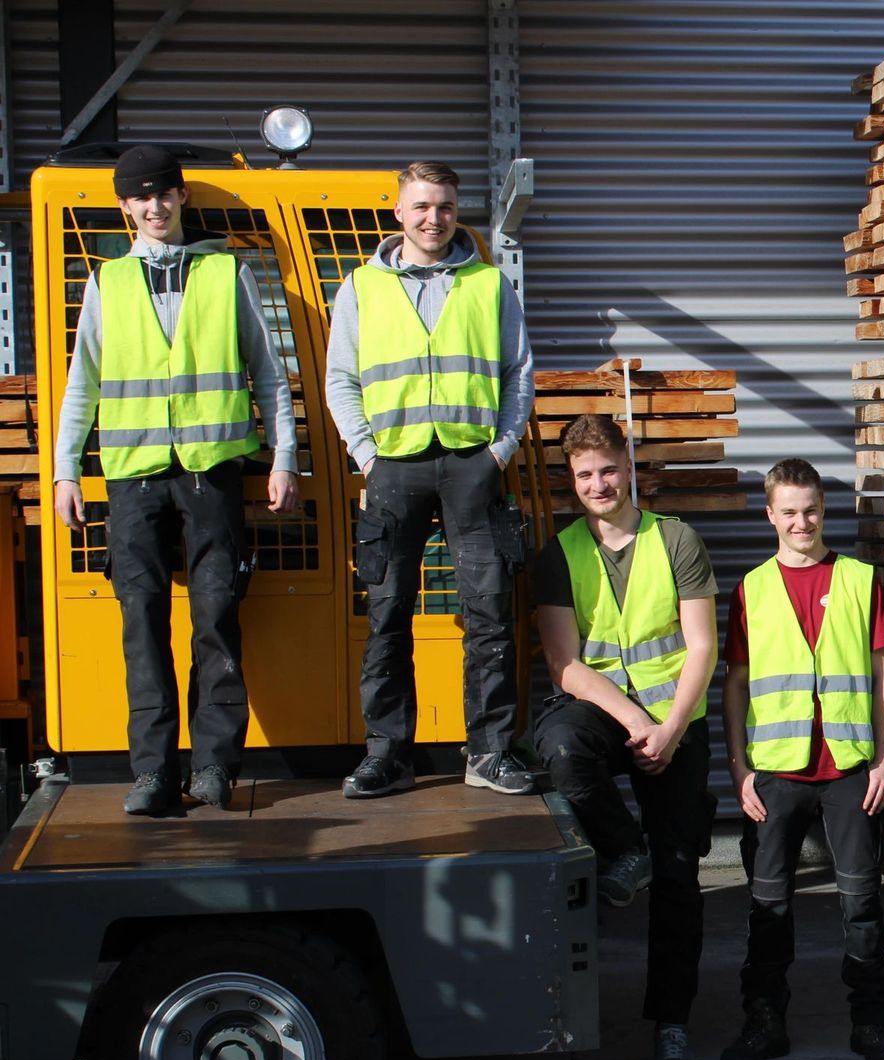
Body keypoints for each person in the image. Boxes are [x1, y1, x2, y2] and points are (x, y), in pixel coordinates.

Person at [52, 144, 299, 816]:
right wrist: (65, 472)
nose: (155, 205)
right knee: (142, 622)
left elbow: (269, 374)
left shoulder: (226, 272)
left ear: (182, 198)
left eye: (165, 192)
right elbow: (84, 384)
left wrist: (283, 458)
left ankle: (214, 768)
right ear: (125, 207)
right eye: (141, 196)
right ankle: (153, 775)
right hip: (132, 479)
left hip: (209, 474)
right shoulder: (107, 282)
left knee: (216, 617)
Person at [325, 160, 535, 798]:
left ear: (456, 210)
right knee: (388, 613)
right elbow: (342, 379)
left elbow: (517, 372)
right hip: (394, 470)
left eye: (444, 206)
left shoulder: (490, 285)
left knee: (489, 614)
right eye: (420, 206)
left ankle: (489, 752)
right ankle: (389, 754)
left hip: (473, 467)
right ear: (398, 211)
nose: (433, 219)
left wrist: (498, 451)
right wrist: (368, 456)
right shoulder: (360, 288)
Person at [529, 414, 718, 1060]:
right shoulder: (561, 552)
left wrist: (667, 729)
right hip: (611, 714)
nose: (598, 484)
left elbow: (701, 647)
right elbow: (564, 664)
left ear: (627, 465)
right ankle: (622, 848)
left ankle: (671, 1025)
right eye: (584, 475)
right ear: (571, 480)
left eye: (607, 469)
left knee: (678, 880)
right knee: (557, 746)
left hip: (677, 722)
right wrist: (635, 719)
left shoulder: (676, 540)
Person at [720, 458, 884, 1060]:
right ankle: (764, 1021)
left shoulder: (859, 579)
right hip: (775, 773)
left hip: (850, 770)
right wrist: (740, 770)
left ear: (825, 509)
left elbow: (882, 674)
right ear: (770, 514)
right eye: (790, 512)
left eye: (812, 510)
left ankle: (872, 1022)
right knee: (767, 906)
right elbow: (736, 684)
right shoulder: (752, 587)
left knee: (862, 904)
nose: (802, 522)